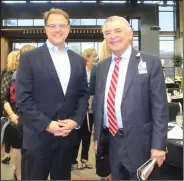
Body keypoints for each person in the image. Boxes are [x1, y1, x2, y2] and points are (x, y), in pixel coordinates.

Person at [15, 8, 89, 180]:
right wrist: (47, 124)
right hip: (37, 138)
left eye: (62, 25)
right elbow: (23, 99)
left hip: (66, 138)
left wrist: (74, 121)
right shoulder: (29, 58)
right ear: (45, 29)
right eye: (53, 25)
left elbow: (83, 95)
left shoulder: (78, 60)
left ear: (69, 28)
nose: (58, 30)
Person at [93, 16, 168, 180]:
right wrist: (97, 137)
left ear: (130, 34)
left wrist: (158, 145)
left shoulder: (150, 62)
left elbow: (160, 108)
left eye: (118, 31)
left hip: (142, 143)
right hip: (112, 141)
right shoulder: (102, 67)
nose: (112, 36)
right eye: (108, 33)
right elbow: (99, 103)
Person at [71, 48, 97, 170]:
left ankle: (84, 160)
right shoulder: (79, 70)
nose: (94, 60)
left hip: (92, 108)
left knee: (87, 136)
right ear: (87, 57)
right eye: (93, 57)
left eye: (95, 57)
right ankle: (73, 160)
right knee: (76, 136)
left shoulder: (97, 71)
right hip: (79, 108)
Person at [90, 40, 112, 180]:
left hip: (102, 118)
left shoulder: (96, 68)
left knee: (103, 148)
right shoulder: (98, 68)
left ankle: (105, 175)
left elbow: (92, 91)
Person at [1, 51, 22, 180]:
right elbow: (3, 97)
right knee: (17, 147)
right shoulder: (8, 76)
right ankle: (18, 174)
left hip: (28, 118)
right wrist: (12, 114)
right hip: (13, 117)